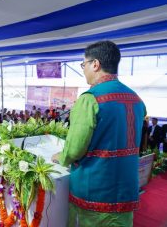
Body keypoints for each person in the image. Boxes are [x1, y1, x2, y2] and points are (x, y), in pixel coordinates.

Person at [52, 41, 146, 227]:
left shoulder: (90, 99)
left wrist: (61, 157)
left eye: (83, 64)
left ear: (95, 64)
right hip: (126, 190)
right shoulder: (136, 99)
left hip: (94, 191)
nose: (83, 69)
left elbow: (75, 149)